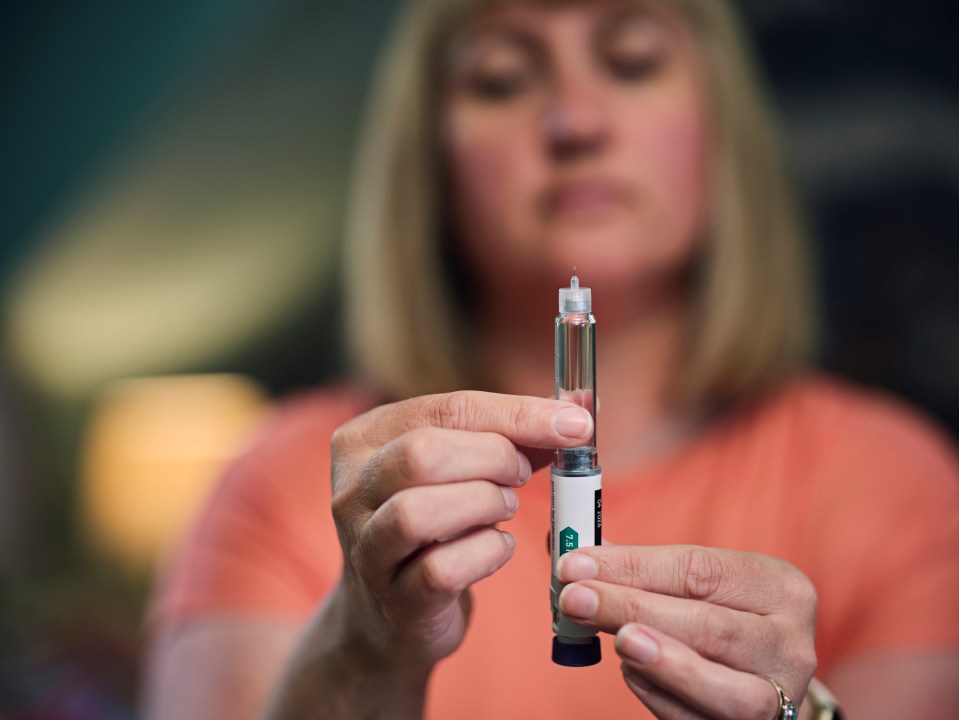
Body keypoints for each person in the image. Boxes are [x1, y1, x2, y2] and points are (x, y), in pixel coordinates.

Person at [144, 0, 959, 718]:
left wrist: (798, 717)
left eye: (632, 62)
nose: (575, 121)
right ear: (429, 157)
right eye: (500, 79)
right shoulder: (287, 484)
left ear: (722, 123)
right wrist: (364, 649)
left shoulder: (891, 482)